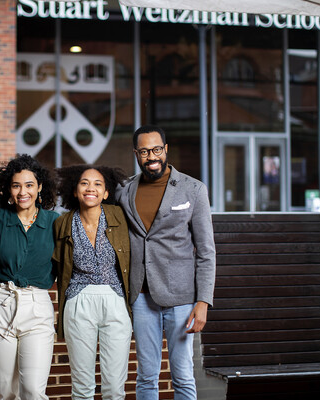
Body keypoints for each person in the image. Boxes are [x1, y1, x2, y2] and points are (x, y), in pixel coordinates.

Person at [115, 125, 216, 400]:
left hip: (182, 299)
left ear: (166, 149)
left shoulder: (193, 189)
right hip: (141, 297)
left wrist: (203, 302)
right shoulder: (124, 191)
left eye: (157, 149)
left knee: (182, 375)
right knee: (146, 376)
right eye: (145, 151)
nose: (152, 156)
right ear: (136, 154)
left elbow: (206, 251)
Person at [52, 165, 131, 400]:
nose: (91, 188)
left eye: (98, 184)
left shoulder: (119, 217)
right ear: (75, 191)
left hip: (115, 299)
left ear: (106, 193)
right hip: (78, 300)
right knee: (82, 386)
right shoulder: (63, 223)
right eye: (84, 183)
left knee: (115, 387)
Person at [0, 154, 59, 400]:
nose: (22, 192)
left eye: (29, 185)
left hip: (37, 307)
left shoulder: (54, 222)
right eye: (16, 185)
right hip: (0, 305)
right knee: (7, 391)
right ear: (8, 188)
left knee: (32, 391)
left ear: (39, 187)